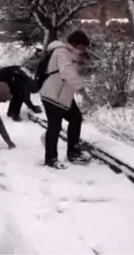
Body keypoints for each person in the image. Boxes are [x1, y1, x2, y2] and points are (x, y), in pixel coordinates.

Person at [39, 30, 93, 169]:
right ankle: (51, 159)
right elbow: (67, 72)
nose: (84, 50)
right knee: (55, 127)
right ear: (75, 43)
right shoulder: (62, 52)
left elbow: (69, 72)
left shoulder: (69, 54)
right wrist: (83, 92)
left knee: (76, 119)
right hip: (53, 95)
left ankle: (73, 152)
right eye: (82, 46)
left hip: (63, 97)